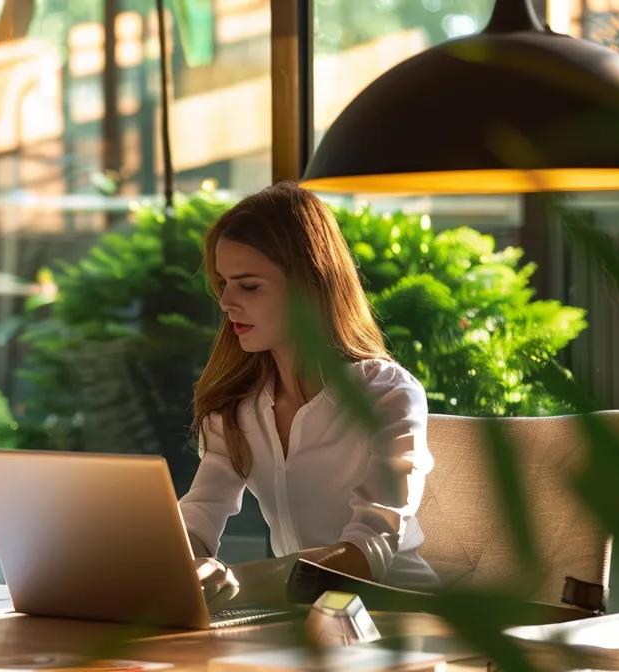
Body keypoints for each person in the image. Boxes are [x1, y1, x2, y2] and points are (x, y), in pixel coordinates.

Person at [180, 182, 439, 608]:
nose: (225, 302)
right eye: (223, 283)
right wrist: (184, 564)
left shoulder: (388, 395)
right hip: (304, 621)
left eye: (248, 286)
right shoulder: (238, 406)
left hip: (404, 619)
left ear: (308, 287)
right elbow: (200, 513)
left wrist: (238, 582)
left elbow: (370, 547)